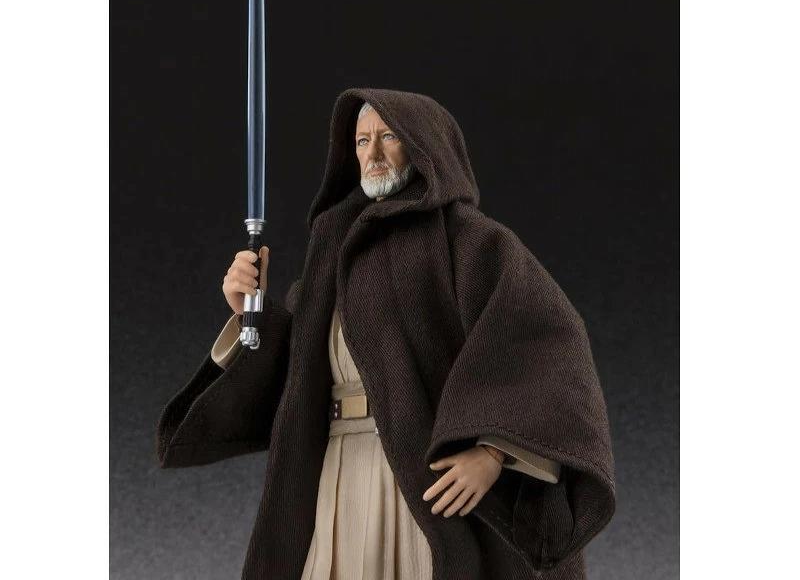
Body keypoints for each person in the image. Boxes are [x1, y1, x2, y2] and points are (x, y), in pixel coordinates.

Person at [156, 88, 615, 580]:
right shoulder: (333, 244)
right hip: (335, 464)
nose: (372, 153)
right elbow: (299, 369)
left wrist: (493, 452)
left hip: (416, 469)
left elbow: (545, 346)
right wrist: (250, 313)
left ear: (423, 145)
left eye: (388, 137)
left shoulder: (471, 242)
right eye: (361, 141)